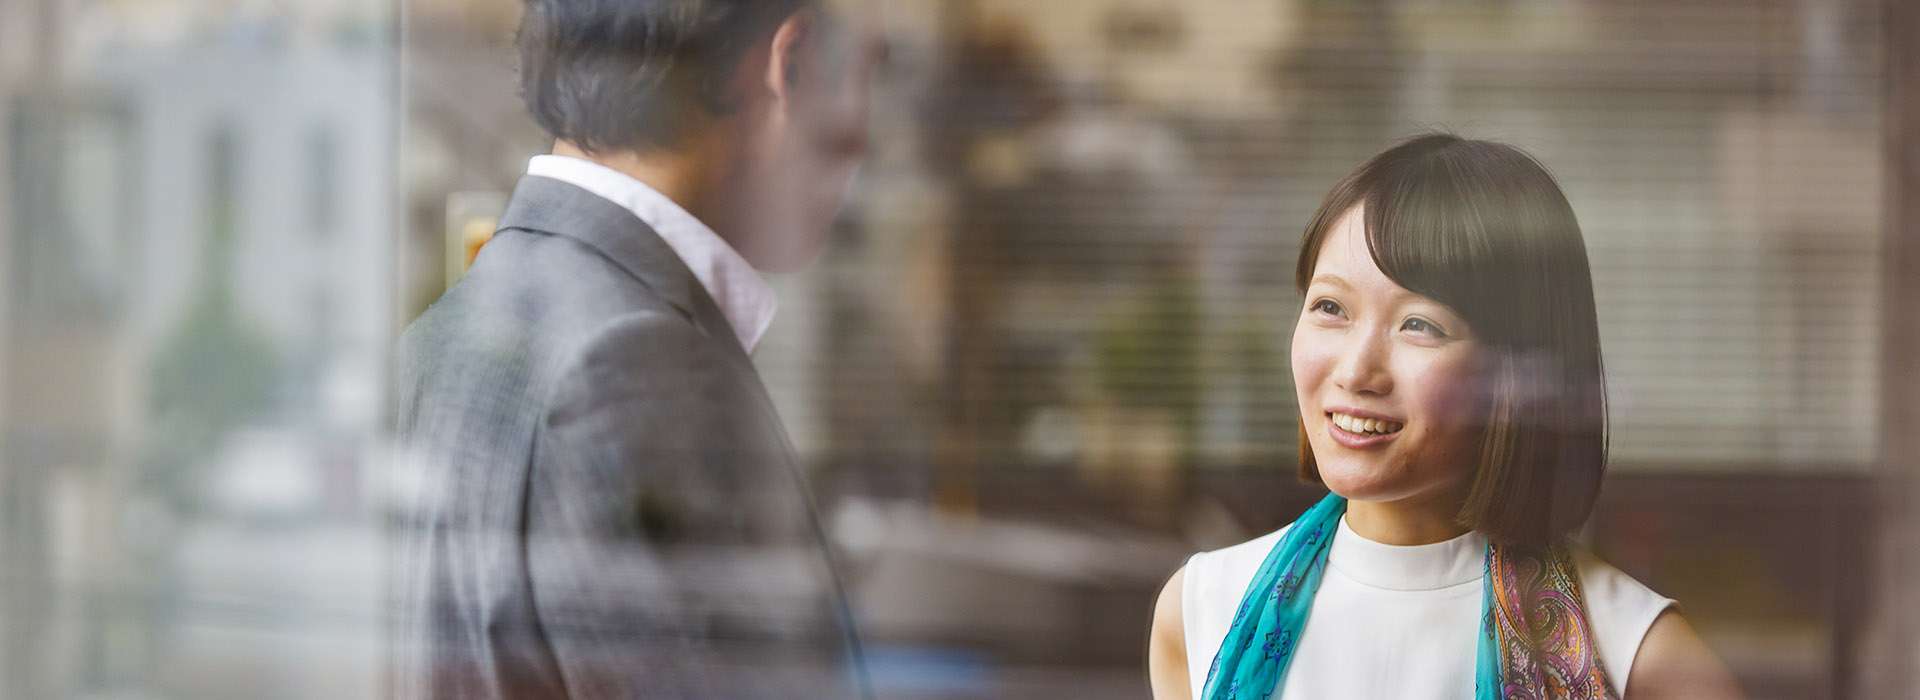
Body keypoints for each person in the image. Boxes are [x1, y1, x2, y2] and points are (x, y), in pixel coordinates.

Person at [393, 1, 881, 697]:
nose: (862, 141)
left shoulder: (445, 334)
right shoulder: (637, 363)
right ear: (792, 64)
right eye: (868, 73)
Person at [1146, 135, 1744, 699]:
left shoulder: (1639, 657)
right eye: (1330, 307)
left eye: (1420, 325)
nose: (1356, 371)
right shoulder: (1201, 613)